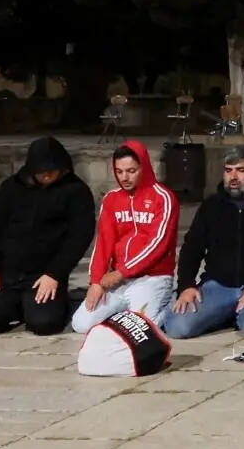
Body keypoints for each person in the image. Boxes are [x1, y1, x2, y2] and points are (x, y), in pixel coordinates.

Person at [0, 137, 95, 336]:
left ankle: (36, 306)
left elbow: (79, 236)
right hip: (6, 272)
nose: (45, 175)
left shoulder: (76, 191)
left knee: (44, 323)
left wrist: (55, 273)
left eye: (50, 170)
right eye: (40, 170)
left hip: (43, 274)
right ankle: (16, 306)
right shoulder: (11, 187)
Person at [164, 144, 244, 340]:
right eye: (228, 171)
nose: (233, 177)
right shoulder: (212, 206)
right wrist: (187, 286)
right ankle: (226, 313)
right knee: (177, 327)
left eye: (241, 170)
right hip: (217, 285)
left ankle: (237, 314)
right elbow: (192, 247)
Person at [71, 142, 178, 333]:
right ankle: (124, 314)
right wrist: (95, 282)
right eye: (119, 172)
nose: (124, 177)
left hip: (152, 277)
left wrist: (122, 271)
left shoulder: (163, 197)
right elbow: (103, 243)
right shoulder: (111, 199)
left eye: (131, 171)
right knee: (81, 324)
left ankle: (170, 301)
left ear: (143, 168)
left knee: (140, 328)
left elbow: (158, 244)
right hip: (117, 281)